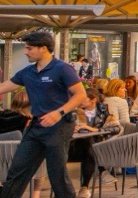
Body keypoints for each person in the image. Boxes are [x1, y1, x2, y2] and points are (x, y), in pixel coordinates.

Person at [0, 30, 88, 198]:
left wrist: (59, 112)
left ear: (44, 48)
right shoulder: (27, 72)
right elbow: (4, 86)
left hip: (59, 126)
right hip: (35, 127)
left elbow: (81, 95)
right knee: (17, 172)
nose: (26, 52)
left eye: (30, 48)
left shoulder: (62, 69)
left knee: (57, 176)